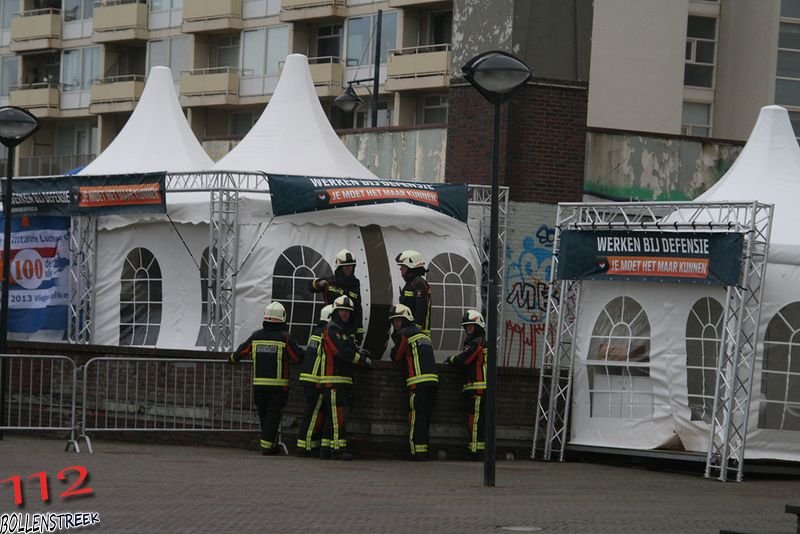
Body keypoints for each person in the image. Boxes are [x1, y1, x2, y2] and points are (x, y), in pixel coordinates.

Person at [229, 301, 303, 456]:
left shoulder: (256, 336)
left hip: (259, 386)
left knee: (264, 416)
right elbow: (297, 357)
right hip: (279, 387)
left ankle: (270, 444)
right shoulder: (285, 338)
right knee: (273, 416)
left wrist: (232, 359)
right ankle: (268, 446)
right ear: (283, 318)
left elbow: (241, 351)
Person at [318, 295, 372, 460]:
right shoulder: (331, 329)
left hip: (342, 381)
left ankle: (326, 450)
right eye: (342, 311)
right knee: (338, 418)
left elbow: (349, 349)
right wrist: (361, 359)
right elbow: (340, 351)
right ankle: (338, 450)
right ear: (336, 311)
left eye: (348, 312)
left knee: (332, 418)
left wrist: (360, 354)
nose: (345, 314)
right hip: (334, 381)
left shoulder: (344, 332)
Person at [388, 304, 438, 461]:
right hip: (433, 381)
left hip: (417, 382)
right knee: (424, 418)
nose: (396, 324)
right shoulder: (422, 334)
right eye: (394, 321)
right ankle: (423, 451)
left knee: (416, 418)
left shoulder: (406, 334)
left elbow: (396, 356)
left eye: (398, 320)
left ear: (405, 320)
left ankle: (414, 451)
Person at [445, 309, 487, 457]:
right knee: (476, 420)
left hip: (478, 389)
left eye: (471, 326)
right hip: (477, 388)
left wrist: (450, 359)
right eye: (466, 327)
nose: (468, 330)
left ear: (478, 326)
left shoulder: (477, 343)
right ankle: (476, 448)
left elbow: (463, 360)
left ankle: (475, 451)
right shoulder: (480, 341)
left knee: (475, 421)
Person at [296, 304, 333, 456]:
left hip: (308, 378)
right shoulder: (326, 333)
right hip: (316, 380)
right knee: (313, 414)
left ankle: (310, 444)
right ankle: (306, 447)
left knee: (313, 413)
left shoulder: (315, 333)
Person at [310, 249, 364, 344]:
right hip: (330, 324)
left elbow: (358, 308)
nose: (348, 269)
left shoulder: (355, 284)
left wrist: (359, 331)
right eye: (345, 266)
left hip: (348, 328)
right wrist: (318, 283)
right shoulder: (330, 282)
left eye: (351, 266)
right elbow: (310, 287)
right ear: (339, 268)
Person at [395, 250, 432, 336]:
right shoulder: (411, 283)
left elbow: (421, 308)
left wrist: (416, 328)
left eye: (403, 266)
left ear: (410, 267)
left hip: (417, 332)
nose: (400, 269)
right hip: (408, 329)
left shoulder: (418, 283)